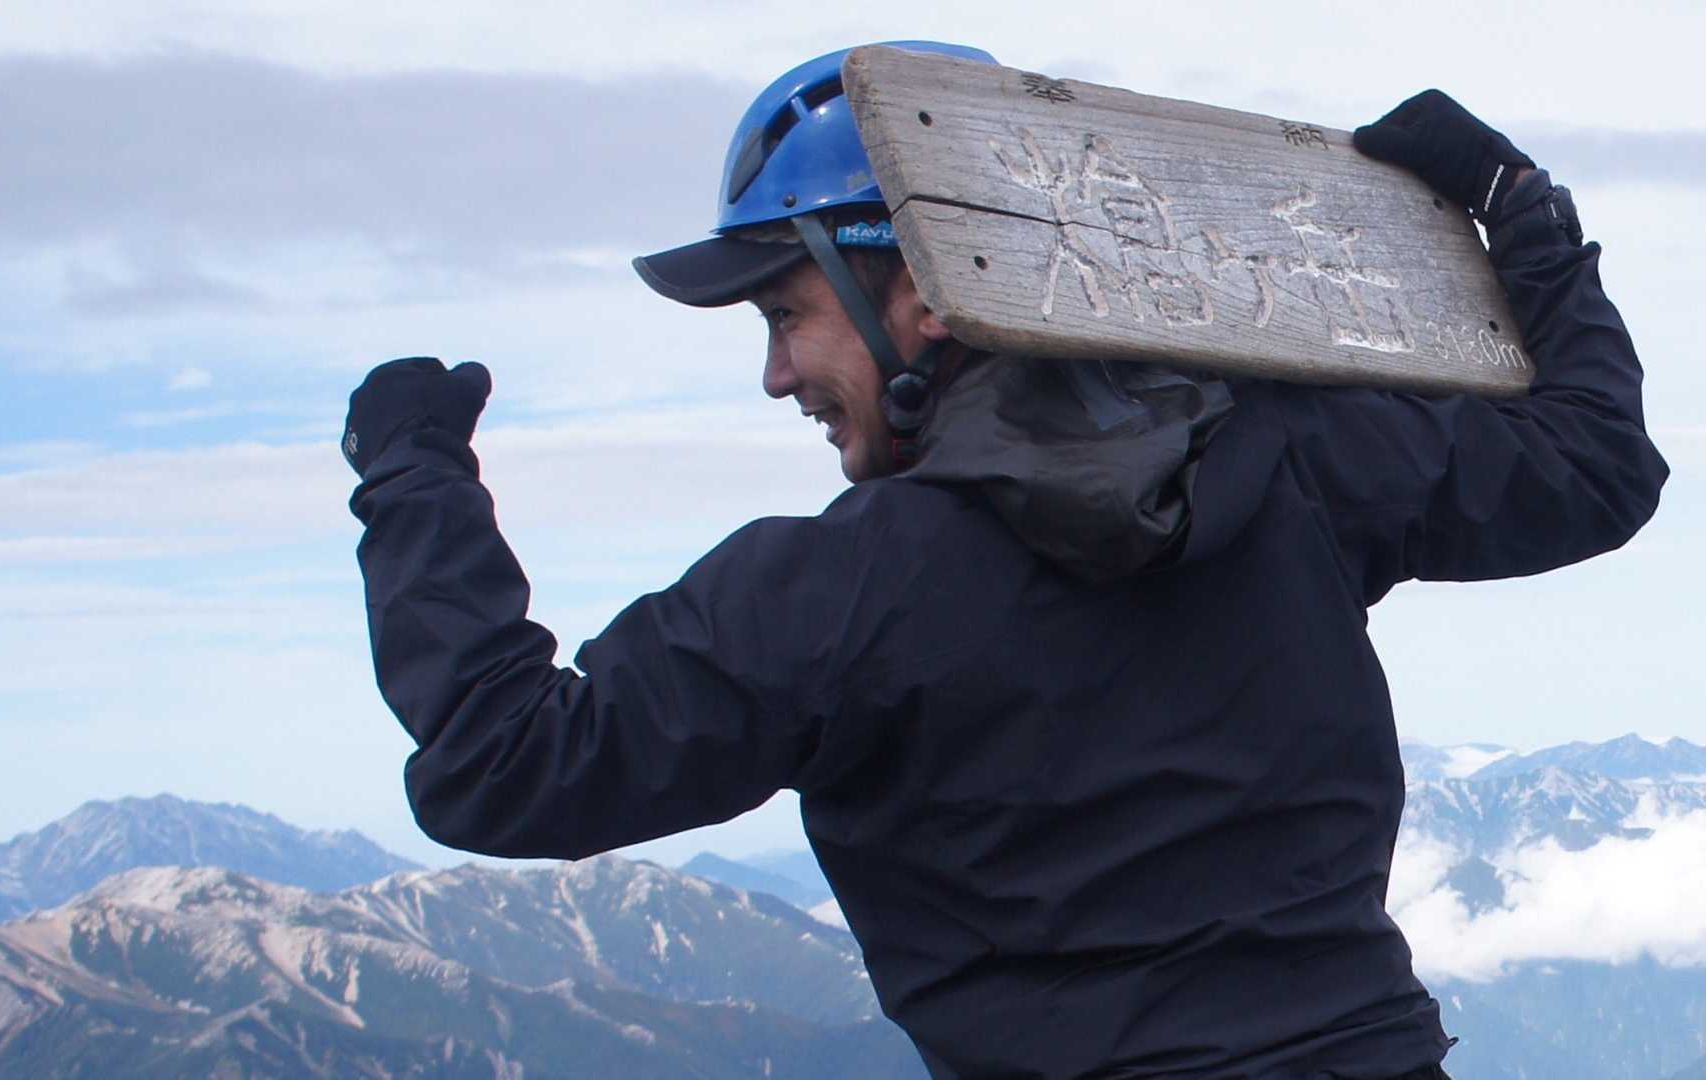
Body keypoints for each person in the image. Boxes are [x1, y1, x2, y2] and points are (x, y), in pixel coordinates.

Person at [343, 42, 1666, 1079]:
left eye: (786, 312)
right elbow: (1594, 467)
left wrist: (412, 478)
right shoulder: (1292, 461)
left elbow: (504, 766)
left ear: (922, 287)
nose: (776, 375)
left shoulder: (835, 593)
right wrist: (1519, 214)